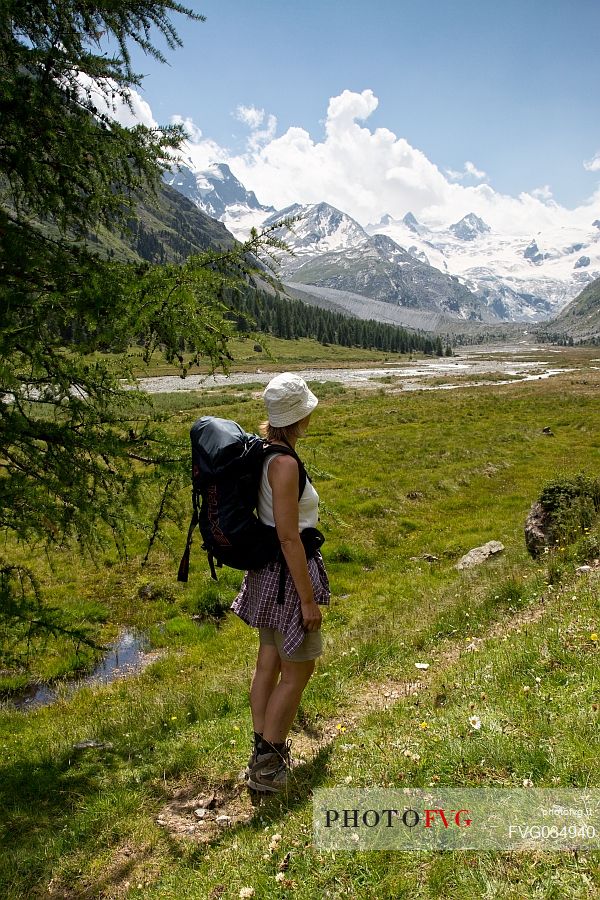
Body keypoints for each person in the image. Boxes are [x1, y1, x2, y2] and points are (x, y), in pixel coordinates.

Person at [230, 372, 330, 793]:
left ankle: (260, 749)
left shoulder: (266, 454)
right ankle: (269, 765)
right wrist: (308, 601)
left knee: (268, 662)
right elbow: (290, 536)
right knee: (298, 670)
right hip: (288, 576)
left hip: (266, 573)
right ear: (298, 417)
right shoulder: (286, 463)